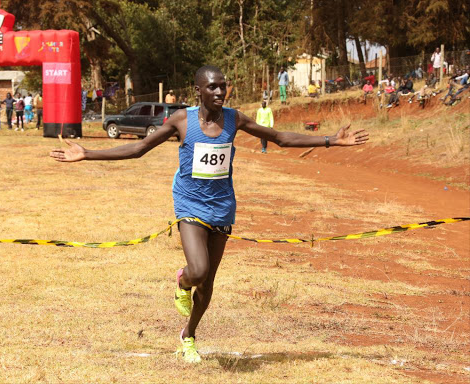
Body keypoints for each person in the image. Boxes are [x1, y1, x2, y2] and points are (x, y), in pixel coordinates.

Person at [50, 65, 368, 364]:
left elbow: (281, 138)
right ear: (198, 90)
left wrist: (331, 140)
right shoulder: (181, 121)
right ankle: (182, 280)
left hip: (222, 206)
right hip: (189, 203)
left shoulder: (235, 119)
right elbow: (138, 149)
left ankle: (189, 335)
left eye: (223, 86)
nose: (219, 92)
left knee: (209, 283)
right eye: (212, 87)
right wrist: (88, 154)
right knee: (198, 269)